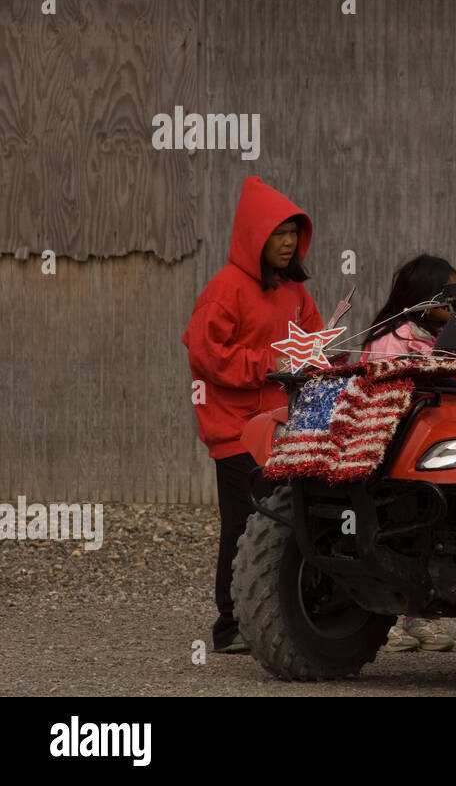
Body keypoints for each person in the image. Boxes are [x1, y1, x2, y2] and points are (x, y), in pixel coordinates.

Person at [183, 176, 325, 654]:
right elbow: (205, 355)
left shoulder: (293, 291)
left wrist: (324, 361)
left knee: (284, 523)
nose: (287, 244)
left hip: (283, 428)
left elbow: (313, 341)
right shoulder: (225, 289)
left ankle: (276, 616)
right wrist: (270, 366)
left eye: (293, 234)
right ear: (254, 238)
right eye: (278, 234)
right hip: (237, 431)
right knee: (244, 524)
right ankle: (229, 624)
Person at [360, 254, 456, 653]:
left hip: (408, 448)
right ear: (425, 296)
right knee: (415, 531)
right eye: (447, 296)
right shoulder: (397, 340)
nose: (454, 305)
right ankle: (407, 623)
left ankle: (411, 621)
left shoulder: (410, 332)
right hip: (397, 452)